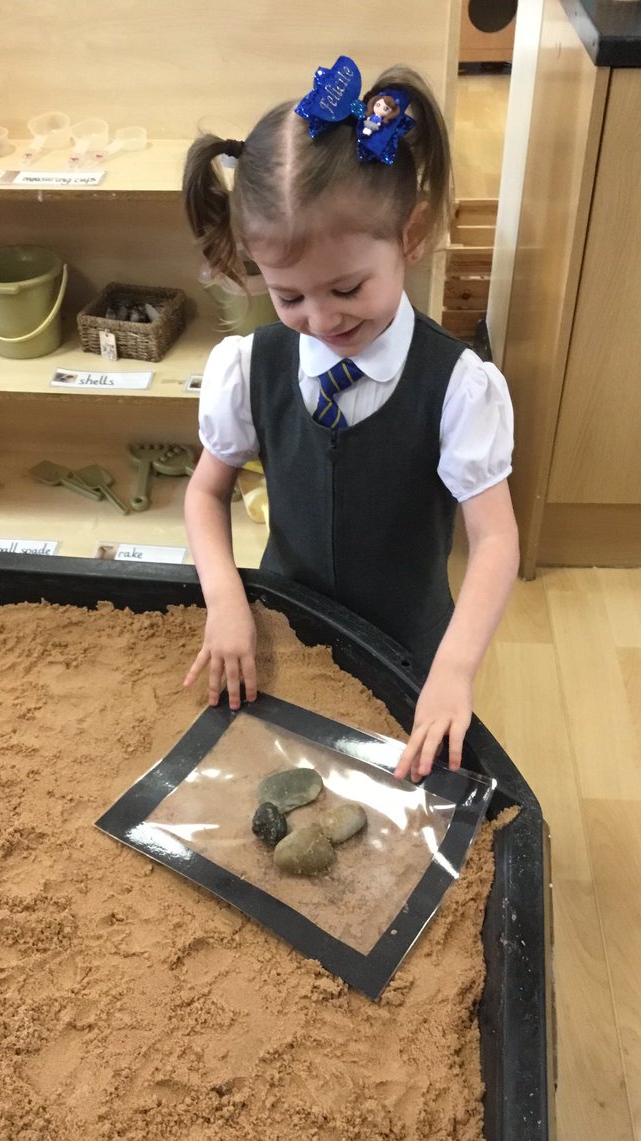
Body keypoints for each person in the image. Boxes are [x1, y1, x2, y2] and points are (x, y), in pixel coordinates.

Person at [181, 56, 519, 783]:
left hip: (409, 652)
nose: (322, 318)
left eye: (346, 287)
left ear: (412, 234)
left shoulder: (458, 387)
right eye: (289, 297)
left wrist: (456, 671)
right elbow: (205, 493)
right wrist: (225, 601)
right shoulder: (252, 367)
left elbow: (495, 542)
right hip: (286, 636)